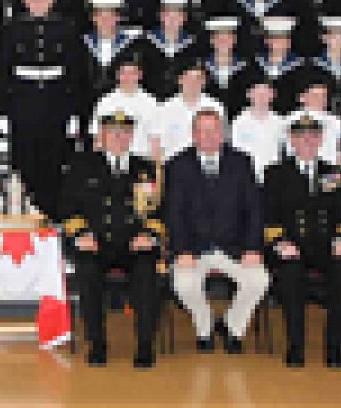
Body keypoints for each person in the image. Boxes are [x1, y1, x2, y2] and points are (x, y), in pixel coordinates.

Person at [60, 110, 162, 367]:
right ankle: (97, 343)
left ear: (131, 136)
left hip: (134, 244)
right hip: (96, 243)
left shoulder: (146, 168)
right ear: (102, 136)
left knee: (147, 271)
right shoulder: (81, 167)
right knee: (87, 270)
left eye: (125, 132)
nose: (119, 137)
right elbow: (67, 207)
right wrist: (81, 234)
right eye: (113, 132)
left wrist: (149, 234)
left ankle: (145, 345)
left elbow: (160, 210)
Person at [167, 107, 269, 354]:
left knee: (259, 281)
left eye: (213, 131)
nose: (208, 136)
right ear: (193, 134)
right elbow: (174, 213)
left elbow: (254, 210)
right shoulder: (177, 165)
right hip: (194, 249)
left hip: (234, 247)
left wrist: (253, 248)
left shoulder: (242, 162)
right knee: (184, 284)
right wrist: (181, 250)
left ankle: (233, 327)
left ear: (222, 134)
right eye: (202, 131)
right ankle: (205, 326)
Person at [0, 0, 81, 217]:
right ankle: (24, 217)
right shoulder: (11, 30)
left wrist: (74, 111)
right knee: (23, 163)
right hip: (22, 103)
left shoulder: (66, 29)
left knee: (53, 164)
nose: (38, 4)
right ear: (25, 1)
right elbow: (2, 70)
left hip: (55, 104)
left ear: (52, 0)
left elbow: (75, 73)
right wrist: (2, 111)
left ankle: (49, 218)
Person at [264, 113, 341, 368]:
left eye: (313, 136)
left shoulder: (333, 174)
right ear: (292, 140)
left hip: (326, 245)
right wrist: (280, 243)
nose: (307, 141)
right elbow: (268, 216)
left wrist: (339, 238)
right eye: (301, 136)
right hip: (291, 245)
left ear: (320, 140)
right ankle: (295, 347)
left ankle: (335, 348)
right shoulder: (276, 173)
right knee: (291, 275)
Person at [231, 76, 284, 183]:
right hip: (246, 176)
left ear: (272, 95)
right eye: (257, 93)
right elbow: (235, 152)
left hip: (274, 178)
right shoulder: (239, 123)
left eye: (265, 93)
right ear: (249, 94)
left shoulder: (281, 123)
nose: (261, 97)